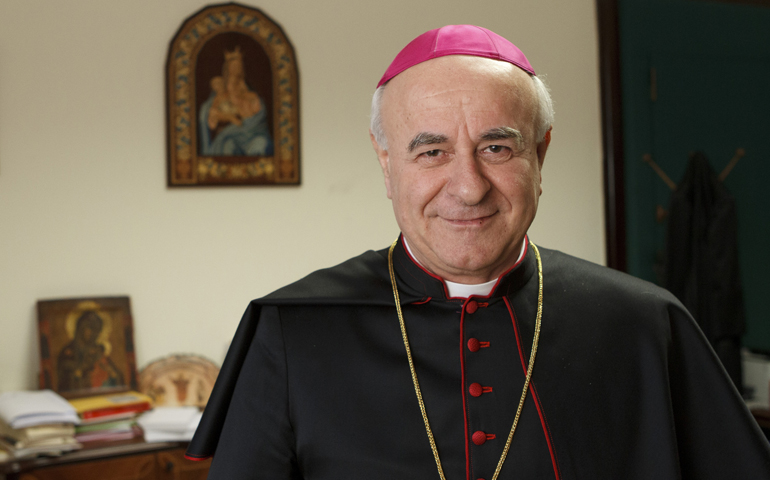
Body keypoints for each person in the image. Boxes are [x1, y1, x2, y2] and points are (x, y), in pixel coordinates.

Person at [187, 25, 770, 479]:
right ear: (387, 165)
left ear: (539, 155)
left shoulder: (647, 324)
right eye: (431, 151)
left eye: (496, 147)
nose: (468, 187)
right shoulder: (291, 330)